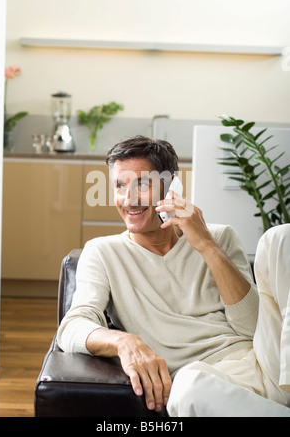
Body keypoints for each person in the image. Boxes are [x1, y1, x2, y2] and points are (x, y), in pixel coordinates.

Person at [57, 135, 290, 417]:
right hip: (206, 385)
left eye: (142, 184)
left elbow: (252, 326)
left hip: (269, 363)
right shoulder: (103, 252)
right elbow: (71, 328)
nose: (128, 199)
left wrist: (205, 245)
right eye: (119, 186)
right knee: (188, 386)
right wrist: (124, 342)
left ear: (171, 188)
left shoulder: (219, 236)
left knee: (281, 237)